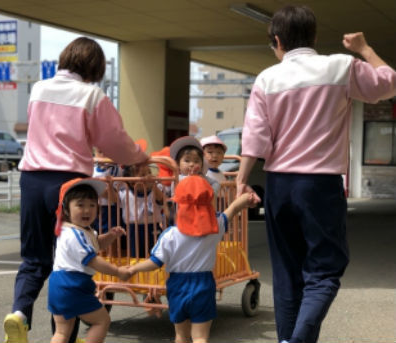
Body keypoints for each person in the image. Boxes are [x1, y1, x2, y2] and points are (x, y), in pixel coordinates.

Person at [236, 5, 396, 343]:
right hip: (321, 185)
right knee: (324, 270)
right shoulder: (340, 67)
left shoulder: (267, 78)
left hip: (278, 184)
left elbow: (255, 138)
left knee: (287, 273)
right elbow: (389, 83)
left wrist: (241, 178)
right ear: (315, 37)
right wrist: (364, 48)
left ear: (277, 41)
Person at [3, 37, 148, 343]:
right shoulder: (92, 96)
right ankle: (63, 337)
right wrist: (139, 157)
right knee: (68, 262)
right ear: (95, 67)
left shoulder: (39, 89)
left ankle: (18, 314)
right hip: (67, 183)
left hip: (31, 177)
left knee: (34, 259)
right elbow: (114, 141)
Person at [125, 175, 258, 343]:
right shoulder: (215, 227)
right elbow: (232, 210)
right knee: (200, 337)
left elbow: (155, 262)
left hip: (177, 285)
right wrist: (246, 198)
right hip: (203, 284)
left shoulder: (170, 235)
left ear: (179, 205)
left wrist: (133, 269)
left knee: (180, 336)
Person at [49, 178, 132, 343]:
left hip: (59, 285)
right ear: (66, 209)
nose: (87, 210)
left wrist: (110, 236)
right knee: (102, 321)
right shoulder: (75, 235)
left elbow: (96, 244)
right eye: (80, 205)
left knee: (62, 333)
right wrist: (117, 271)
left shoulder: (78, 231)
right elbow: (92, 260)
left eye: (92, 205)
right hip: (73, 285)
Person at [119, 163, 165, 257]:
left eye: (149, 172)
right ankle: (138, 271)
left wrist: (153, 185)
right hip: (133, 228)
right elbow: (114, 200)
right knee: (136, 254)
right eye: (143, 175)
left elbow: (161, 200)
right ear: (132, 182)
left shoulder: (156, 189)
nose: (148, 176)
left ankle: (157, 270)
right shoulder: (126, 193)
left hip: (153, 226)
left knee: (157, 253)